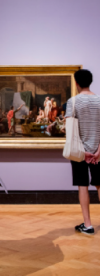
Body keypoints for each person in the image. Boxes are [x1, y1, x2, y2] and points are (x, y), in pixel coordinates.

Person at [65, 69, 100, 235]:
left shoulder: (73, 102)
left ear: (76, 83)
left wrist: (82, 151)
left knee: (83, 185)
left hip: (80, 152)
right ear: (90, 81)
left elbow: (70, 130)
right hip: (98, 152)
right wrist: (99, 150)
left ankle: (88, 224)